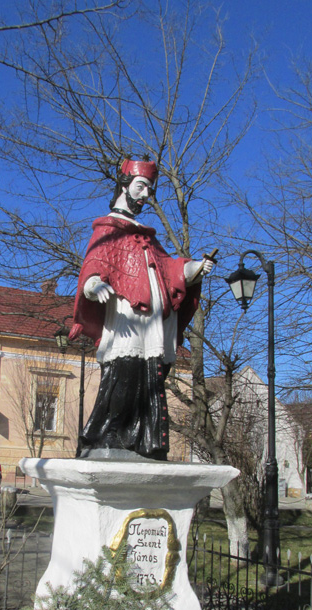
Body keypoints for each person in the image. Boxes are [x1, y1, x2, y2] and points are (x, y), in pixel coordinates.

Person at [69, 157, 215, 461]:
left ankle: (147, 441)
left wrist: (195, 269)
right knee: (123, 373)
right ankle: (107, 435)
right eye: (141, 186)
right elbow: (94, 263)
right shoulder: (108, 228)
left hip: (155, 323)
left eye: (150, 189)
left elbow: (169, 269)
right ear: (124, 185)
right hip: (126, 316)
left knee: (151, 380)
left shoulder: (147, 236)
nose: (146, 194)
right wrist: (93, 285)